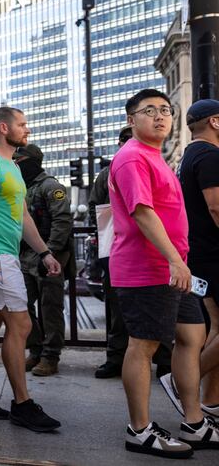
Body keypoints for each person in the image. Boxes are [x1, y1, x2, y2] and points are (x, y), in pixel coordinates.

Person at [109, 89, 214, 458]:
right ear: (130, 119)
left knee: (192, 335)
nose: (159, 116)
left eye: (165, 110)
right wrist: (175, 260)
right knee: (144, 345)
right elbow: (142, 213)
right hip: (147, 269)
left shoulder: (154, 156)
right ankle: (138, 429)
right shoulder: (131, 158)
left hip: (171, 267)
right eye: (149, 110)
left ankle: (195, 421)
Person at [0, 106, 62, 433]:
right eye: (22, 124)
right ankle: (22, 403)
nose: (27, 129)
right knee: (20, 325)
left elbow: (24, 219)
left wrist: (45, 252)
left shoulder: (14, 168)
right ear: (4, 128)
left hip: (7, 254)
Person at [91, 126, 173, 379]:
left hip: (153, 248)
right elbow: (98, 208)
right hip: (119, 248)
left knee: (161, 309)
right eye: (125, 140)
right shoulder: (108, 173)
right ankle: (116, 357)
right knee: (118, 309)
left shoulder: (159, 166)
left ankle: (165, 362)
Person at [176, 99, 219, 420]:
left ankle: (210, 400)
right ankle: (179, 383)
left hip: (199, 253)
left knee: (216, 327)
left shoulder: (190, 154)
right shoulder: (210, 156)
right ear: (215, 123)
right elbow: (216, 206)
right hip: (213, 254)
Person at [14, 144, 73, 377]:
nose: (16, 165)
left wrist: (49, 252)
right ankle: (36, 350)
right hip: (25, 256)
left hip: (50, 257)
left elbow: (62, 221)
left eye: (19, 161)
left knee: (50, 308)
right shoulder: (20, 187)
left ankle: (50, 355)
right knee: (23, 305)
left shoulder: (51, 187)